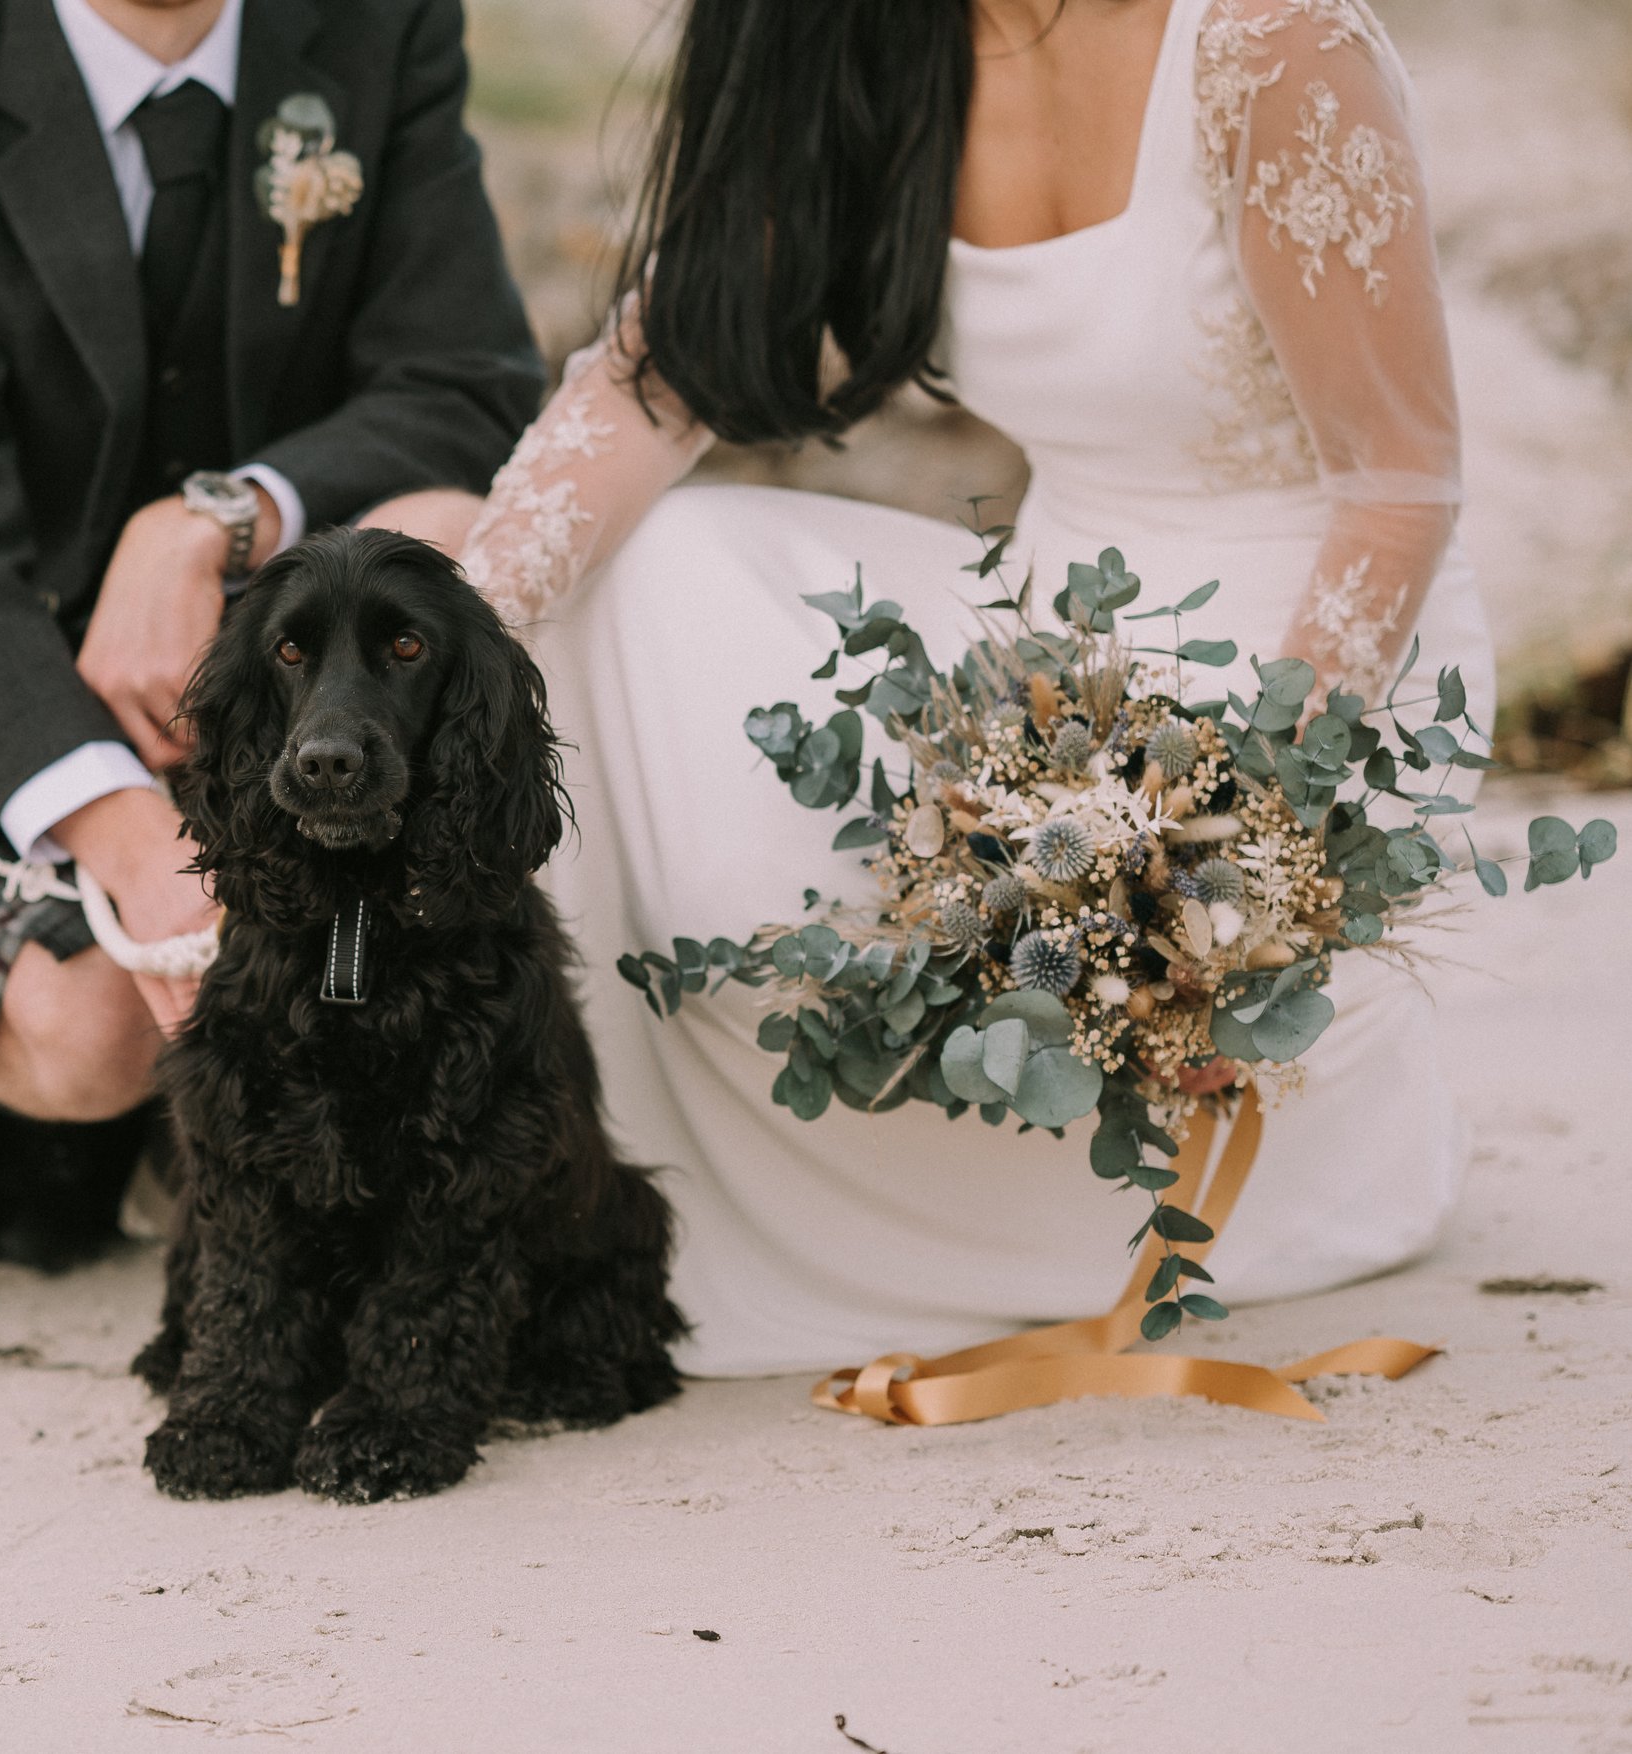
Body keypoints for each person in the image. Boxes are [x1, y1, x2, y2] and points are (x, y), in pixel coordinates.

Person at [452, 0, 1492, 1374]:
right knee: (610, 585)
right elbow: (656, 382)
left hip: (1314, 659)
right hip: (1058, 635)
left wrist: (1244, 862)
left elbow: (1399, 486)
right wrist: (447, 637)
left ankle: (1208, 1147)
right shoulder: (868, 37)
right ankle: (532, 1170)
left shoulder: (1275, 48)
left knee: (1051, 950)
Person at [0, 0, 541, 1288]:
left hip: (283, 663)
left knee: (446, 526)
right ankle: (45, 1103)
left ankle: (387, 1106)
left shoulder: (378, 29)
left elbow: (468, 382)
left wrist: (222, 516)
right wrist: (124, 833)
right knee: (108, 1022)